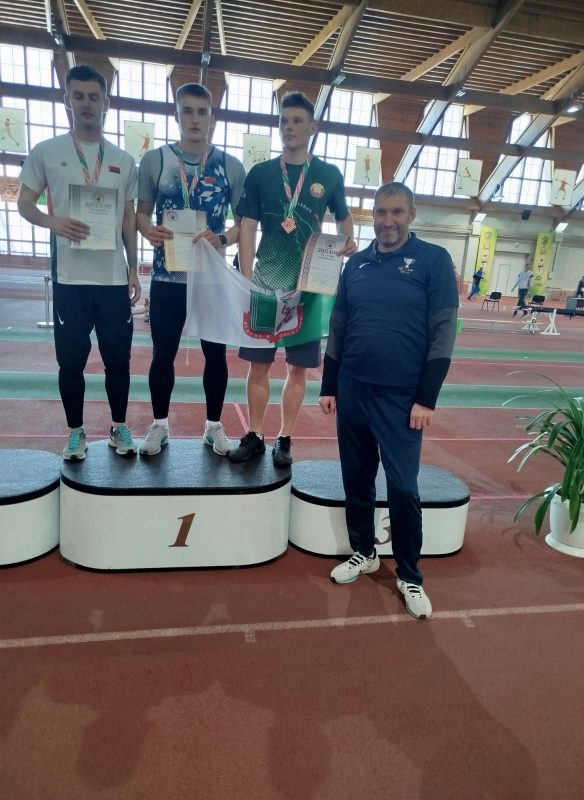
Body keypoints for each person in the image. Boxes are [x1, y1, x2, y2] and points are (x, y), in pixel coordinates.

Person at [319, 182, 458, 620]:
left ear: (411, 214)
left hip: (401, 399)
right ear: (373, 216)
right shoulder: (356, 264)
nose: (388, 221)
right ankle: (364, 551)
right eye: (381, 212)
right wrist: (328, 384)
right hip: (353, 390)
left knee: (402, 488)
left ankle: (410, 574)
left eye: (397, 212)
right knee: (356, 479)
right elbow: (338, 326)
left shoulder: (434, 261)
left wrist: (426, 399)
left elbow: (443, 333)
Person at [18, 64, 140, 461]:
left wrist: (134, 269)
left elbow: (128, 219)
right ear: (67, 100)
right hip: (70, 279)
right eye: (79, 96)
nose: (87, 104)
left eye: (94, 97)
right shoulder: (47, 152)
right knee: (70, 363)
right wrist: (53, 222)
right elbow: (24, 204)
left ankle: (119, 427)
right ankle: (76, 433)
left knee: (118, 361)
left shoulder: (123, 159)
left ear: (107, 103)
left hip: (112, 279)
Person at [228, 91, 356, 467]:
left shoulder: (328, 175)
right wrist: (247, 280)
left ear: (312, 127)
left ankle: (284, 437)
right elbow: (247, 227)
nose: (289, 127)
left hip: (308, 286)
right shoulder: (261, 173)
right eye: (284, 121)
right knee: (258, 365)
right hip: (265, 282)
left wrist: (348, 240)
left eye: (297, 121)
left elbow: (343, 217)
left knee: (297, 367)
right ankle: (254, 434)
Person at [136, 83, 245, 456]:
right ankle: (160, 425)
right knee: (162, 354)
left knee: (216, 356)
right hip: (167, 278)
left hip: (210, 279)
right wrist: (147, 230)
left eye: (202, 112)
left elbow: (243, 225)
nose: (194, 119)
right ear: (177, 114)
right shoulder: (156, 160)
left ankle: (213, 427)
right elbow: (140, 213)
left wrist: (223, 239)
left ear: (212, 118)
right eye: (187, 111)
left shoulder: (230, 166)